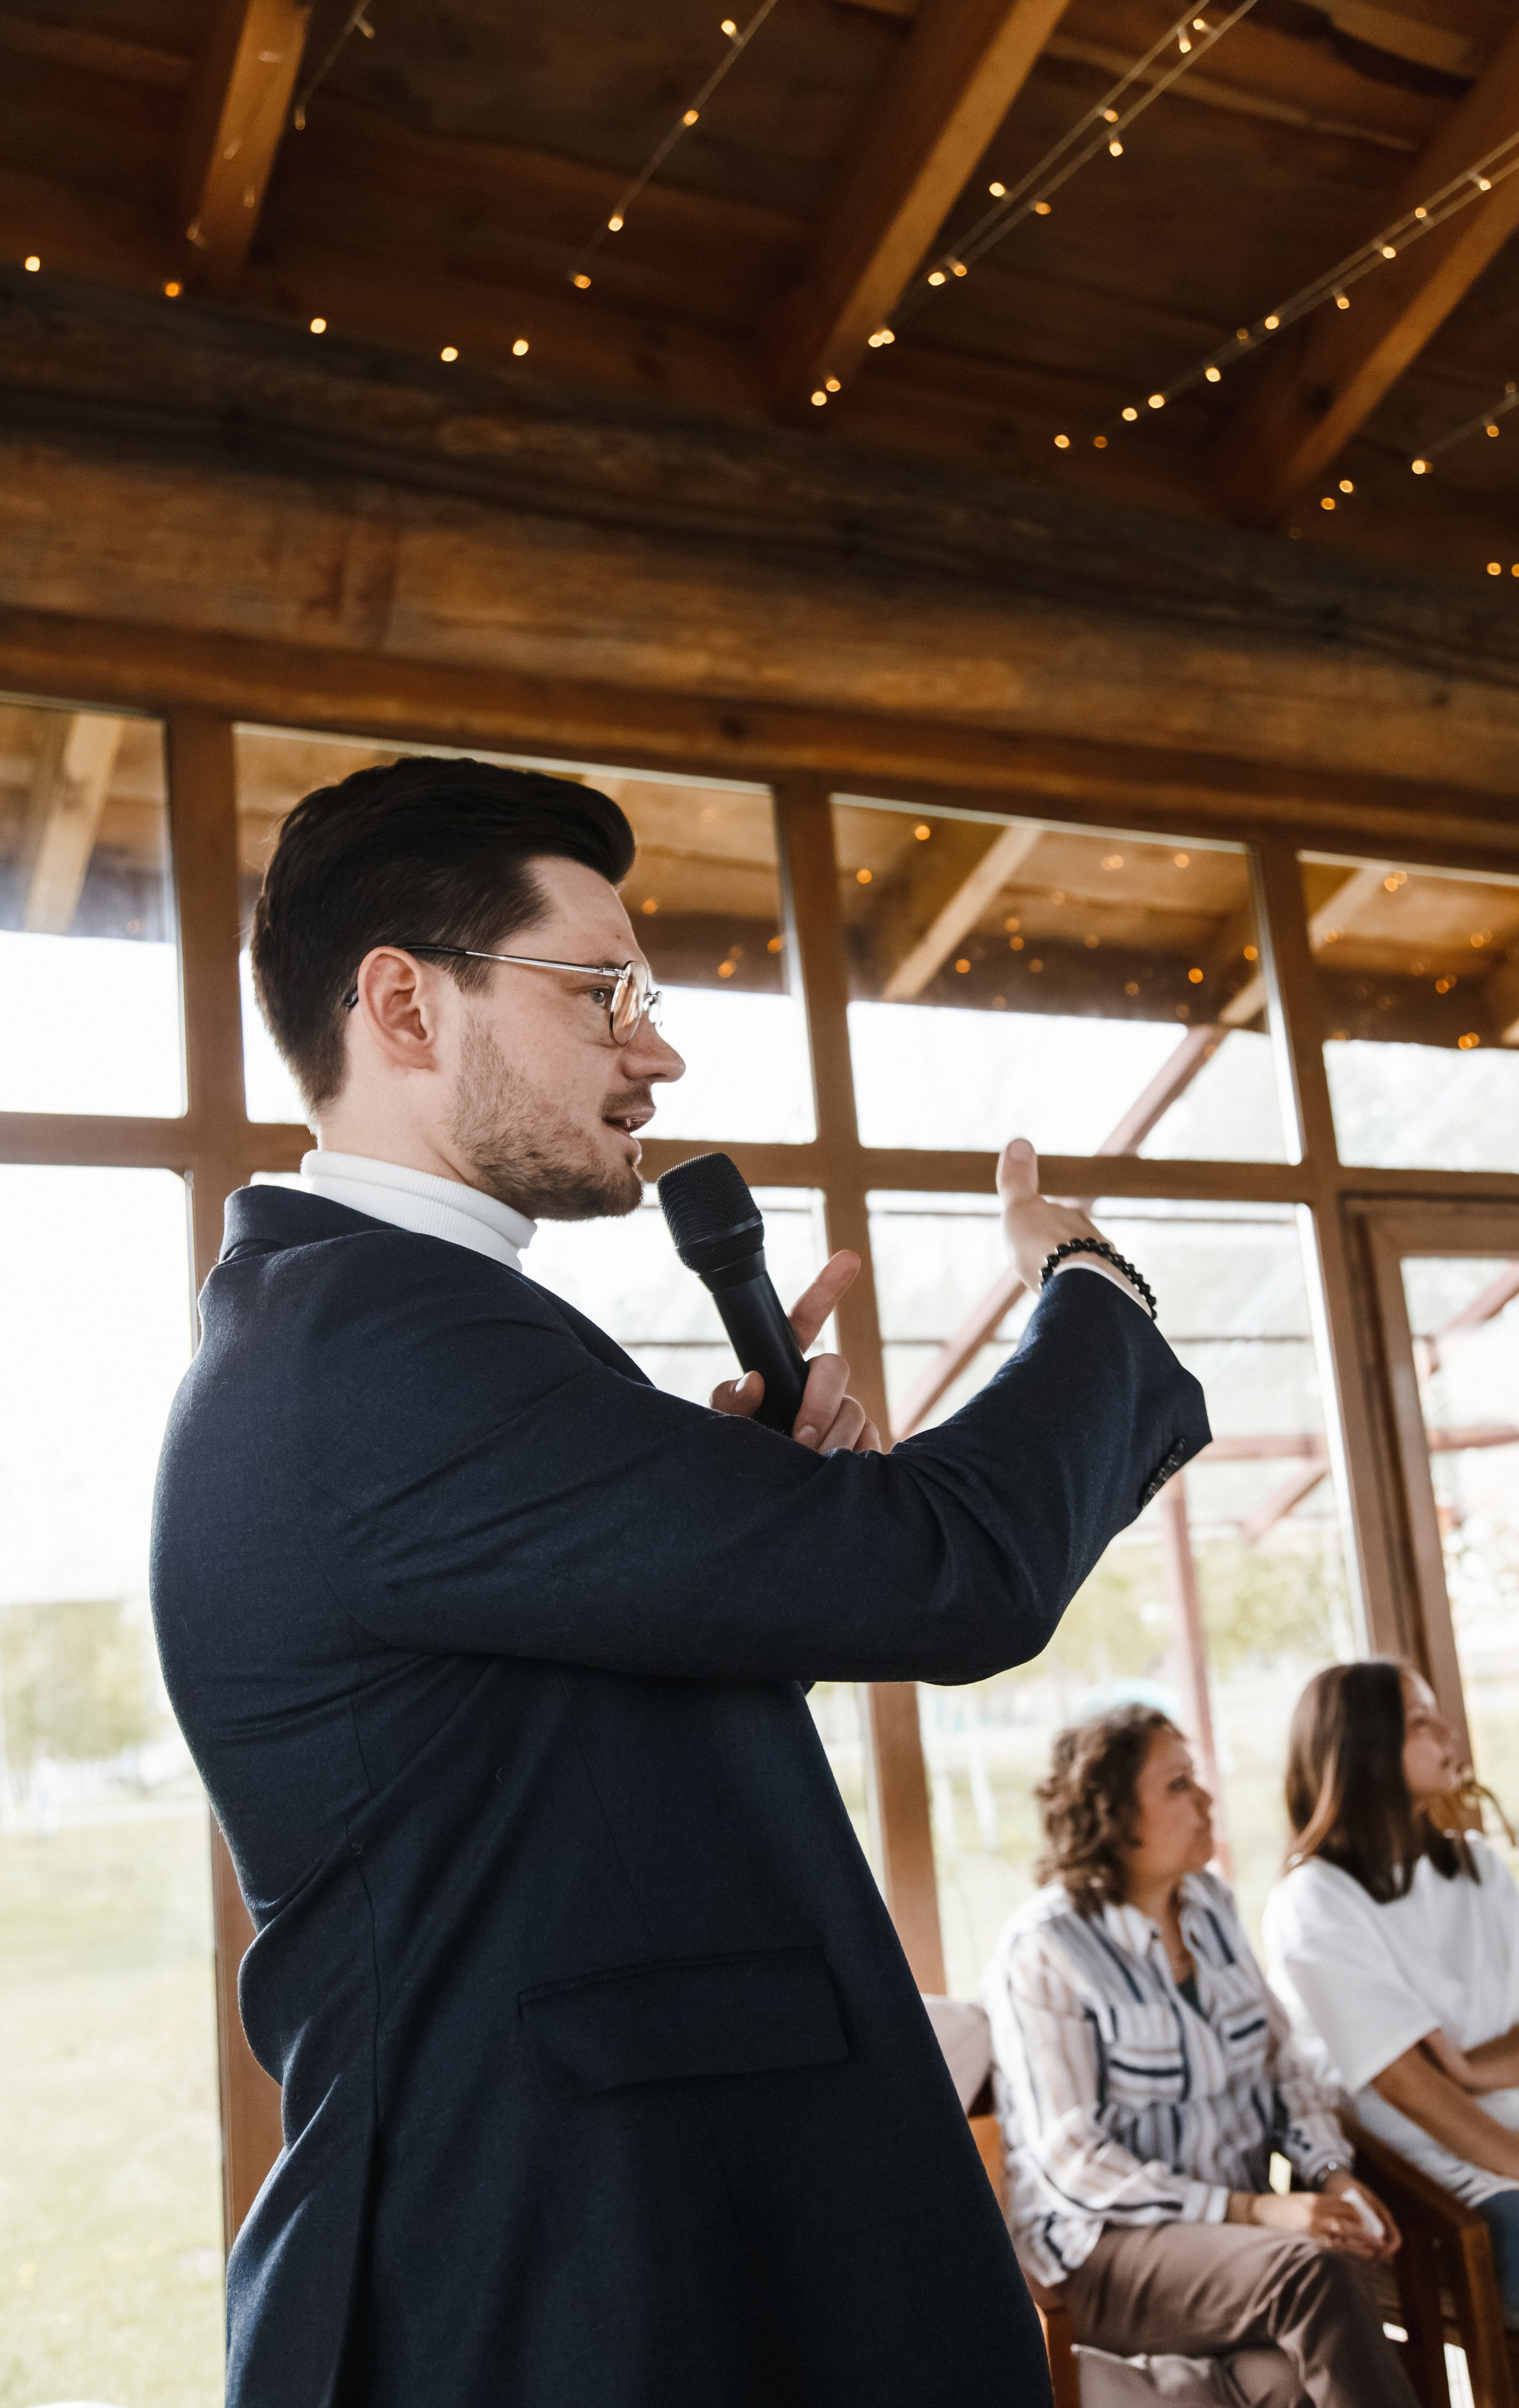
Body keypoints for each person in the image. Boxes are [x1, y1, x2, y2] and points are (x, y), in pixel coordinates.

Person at [150, 754, 1211, 2408]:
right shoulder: (379, 1350)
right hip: (552, 2285)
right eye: (604, 993)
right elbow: (953, 1574)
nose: (658, 1051)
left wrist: (755, 1513)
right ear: (407, 1008)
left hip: (622, 2251)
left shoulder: (396, 1338)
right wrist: (1088, 1289)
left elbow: (566, 1788)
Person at [986, 1704, 1412, 2408]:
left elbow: (1285, 2068)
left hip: (1227, 2249)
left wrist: (1330, 2174)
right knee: (1310, 2273)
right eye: (1179, 1784)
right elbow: (1073, 2158)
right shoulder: (1043, 1948)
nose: (1206, 1798)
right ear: (1113, 1815)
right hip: (1101, 2253)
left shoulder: (1210, 1906)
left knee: (1293, 2385)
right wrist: (1253, 2212)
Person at [1264, 1659, 1519, 2375]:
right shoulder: (1313, 1903)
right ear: (1364, 1749)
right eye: (1420, 1721)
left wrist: (1470, 2069)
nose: (1447, 1732)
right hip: (1447, 2193)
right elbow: (1412, 2093)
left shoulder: (1475, 1866)